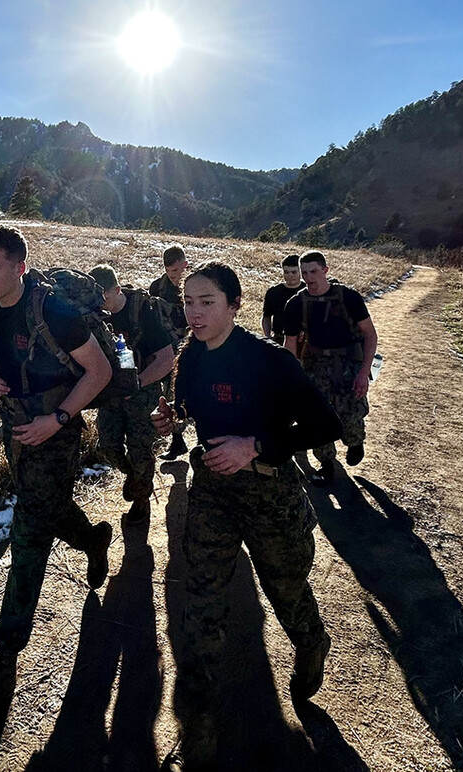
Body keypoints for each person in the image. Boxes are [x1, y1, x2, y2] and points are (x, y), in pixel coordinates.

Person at [151, 262, 342, 771]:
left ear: (235, 306)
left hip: (269, 494)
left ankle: (311, 642)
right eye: (189, 302)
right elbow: (195, 407)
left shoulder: (271, 362)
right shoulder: (190, 358)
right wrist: (175, 418)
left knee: (286, 591)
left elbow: (325, 422)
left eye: (207, 301)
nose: (194, 312)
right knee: (201, 599)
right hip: (213, 492)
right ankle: (199, 725)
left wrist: (254, 445)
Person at [0, 226, 114, 717]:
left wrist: (59, 419)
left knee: (28, 529)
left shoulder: (55, 312)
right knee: (43, 506)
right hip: (17, 428)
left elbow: (101, 372)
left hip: (57, 429)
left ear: (20, 266)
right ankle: (92, 540)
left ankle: (4, 660)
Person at [89, 264, 177, 524]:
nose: (101, 305)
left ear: (117, 289)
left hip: (144, 391)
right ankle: (134, 477)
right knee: (108, 446)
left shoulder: (142, 312)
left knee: (140, 451)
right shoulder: (96, 314)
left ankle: (142, 500)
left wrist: (137, 384)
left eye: (104, 298)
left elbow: (166, 359)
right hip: (112, 391)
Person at [281, 250, 379, 485]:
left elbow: (370, 335)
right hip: (313, 366)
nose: (308, 277)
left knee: (351, 415)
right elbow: (290, 344)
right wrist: (292, 380)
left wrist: (364, 373)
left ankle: (355, 442)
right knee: (316, 417)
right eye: (304, 273)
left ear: (325, 270)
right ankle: (326, 464)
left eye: (313, 271)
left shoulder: (349, 298)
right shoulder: (295, 305)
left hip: (348, 366)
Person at [149, 244, 189, 460]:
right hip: (166, 350)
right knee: (170, 395)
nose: (173, 276)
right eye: (169, 271)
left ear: (185, 265)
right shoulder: (157, 288)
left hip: (191, 348)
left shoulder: (195, 287)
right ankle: (177, 442)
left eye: (176, 271)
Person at [261, 253, 304, 345]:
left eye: (294, 272)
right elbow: (266, 316)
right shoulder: (274, 292)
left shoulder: (307, 291)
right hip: (279, 339)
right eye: (286, 272)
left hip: (303, 341)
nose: (290, 275)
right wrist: (268, 337)